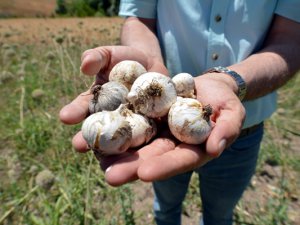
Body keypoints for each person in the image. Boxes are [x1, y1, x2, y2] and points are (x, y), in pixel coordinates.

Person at [59, 1, 300, 224]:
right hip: (159, 132)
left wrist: (228, 81)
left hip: (245, 129)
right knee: (165, 208)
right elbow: (138, 19)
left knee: (220, 215)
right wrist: (149, 58)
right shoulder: (141, 102)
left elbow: (290, 39)